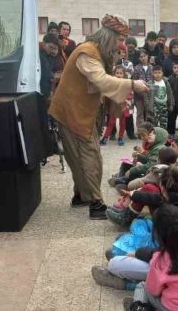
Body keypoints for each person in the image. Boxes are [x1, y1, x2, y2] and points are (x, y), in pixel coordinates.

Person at [49, 14, 149, 218]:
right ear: (108, 35)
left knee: (79, 156)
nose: (122, 45)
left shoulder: (98, 52)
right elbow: (102, 81)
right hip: (72, 112)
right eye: (120, 39)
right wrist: (131, 85)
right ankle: (95, 204)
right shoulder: (87, 53)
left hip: (83, 110)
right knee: (90, 156)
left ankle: (80, 196)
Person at [100, 66, 132, 146]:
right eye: (117, 73)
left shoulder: (126, 83)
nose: (118, 75)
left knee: (122, 123)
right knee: (111, 122)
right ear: (114, 74)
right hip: (114, 105)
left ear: (124, 74)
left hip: (123, 106)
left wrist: (126, 99)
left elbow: (130, 94)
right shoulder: (112, 84)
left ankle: (120, 138)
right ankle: (105, 137)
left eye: (120, 73)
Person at [38, 33, 64, 103]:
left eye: (55, 48)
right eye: (51, 47)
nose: (52, 50)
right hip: (41, 92)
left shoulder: (49, 54)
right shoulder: (40, 56)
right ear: (44, 43)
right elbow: (46, 75)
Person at [132, 49, 154, 127]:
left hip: (149, 95)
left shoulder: (152, 67)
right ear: (139, 58)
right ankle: (140, 130)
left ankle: (149, 129)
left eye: (144, 56)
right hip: (139, 95)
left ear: (148, 56)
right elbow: (134, 81)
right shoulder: (136, 68)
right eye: (141, 57)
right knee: (140, 113)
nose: (143, 58)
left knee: (149, 112)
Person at [149, 65, 172, 132]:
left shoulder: (166, 82)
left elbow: (170, 93)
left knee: (164, 123)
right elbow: (147, 96)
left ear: (162, 73)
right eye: (155, 73)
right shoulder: (151, 83)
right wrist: (149, 106)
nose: (157, 74)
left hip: (164, 105)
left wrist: (171, 104)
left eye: (159, 72)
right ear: (152, 74)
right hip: (155, 106)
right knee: (154, 123)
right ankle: (155, 137)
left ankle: (163, 137)